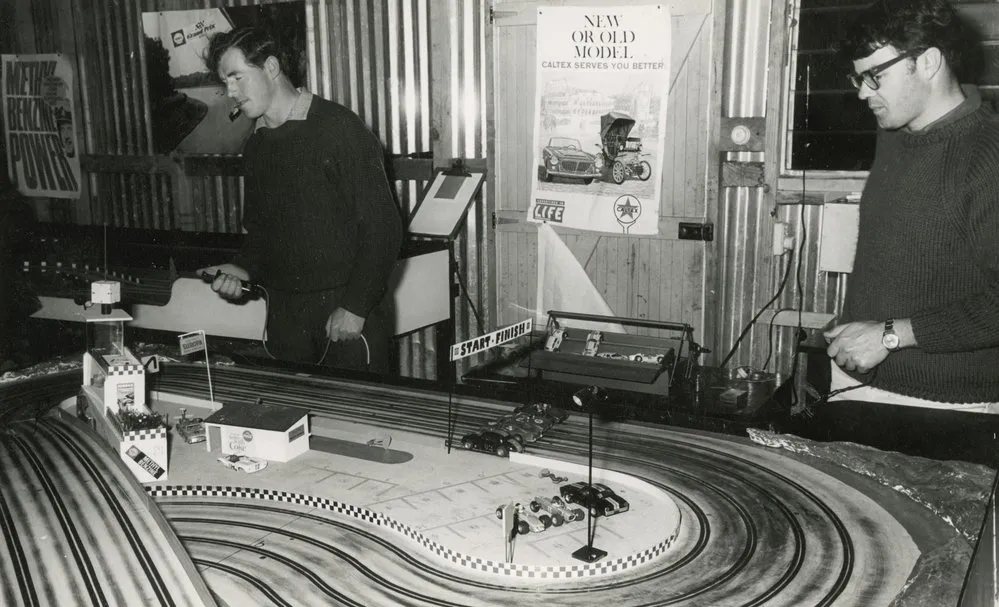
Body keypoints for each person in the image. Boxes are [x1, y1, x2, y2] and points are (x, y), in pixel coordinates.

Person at [823, 0, 999, 411]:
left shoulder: (987, 157)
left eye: (875, 76)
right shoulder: (895, 135)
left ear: (929, 62)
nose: (862, 92)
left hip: (945, 401)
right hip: (855, 375)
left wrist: (890, 335)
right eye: (858, 77)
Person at [199, 27, 403, 374]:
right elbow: (262, 235)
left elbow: (383, 227)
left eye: (236, 77)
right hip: (287, 321)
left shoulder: (340, 129)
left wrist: (356, 307)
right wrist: (241, 270)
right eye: (225, 82)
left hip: (347, 317)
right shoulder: (257, 146)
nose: (230, 92)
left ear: (271, 67)